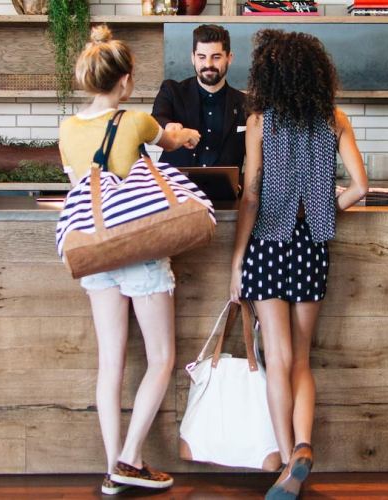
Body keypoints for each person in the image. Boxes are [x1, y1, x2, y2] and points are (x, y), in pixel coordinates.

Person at [57, 25, 201, 496]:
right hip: (139, 247)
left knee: (110, 365)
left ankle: (111, 470)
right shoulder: (135, 120)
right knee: (161, 357)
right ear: (124, 81)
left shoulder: (67, 129)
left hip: (97, 252)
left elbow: (79, 180)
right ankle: (130, 459)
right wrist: (187, 134)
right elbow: (172, 139)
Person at [229, 30, 368, 500]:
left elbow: (250, 195)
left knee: (278, 361)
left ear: (267, 76)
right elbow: (360, 188)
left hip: (268, 244)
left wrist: (236, 261)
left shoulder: (259, 122)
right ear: (315, 71)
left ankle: (288, 464)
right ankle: (305, 444)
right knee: (303, 360)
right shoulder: (335, 118)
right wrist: (325, 210)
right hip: (311, 247)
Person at [152, 24, 247, 170]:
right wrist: (169, 126)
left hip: (225, 191)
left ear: (229, 58)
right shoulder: (172, 90)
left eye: (216, 57)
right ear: (193, 58)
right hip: (175, 188)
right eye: (201, 57)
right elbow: (155, 119)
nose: (208, 64)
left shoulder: (245, 103)